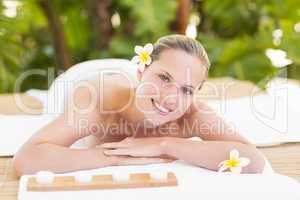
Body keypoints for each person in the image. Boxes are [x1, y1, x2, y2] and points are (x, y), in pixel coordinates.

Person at [13, 35, 265, 176]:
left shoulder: (191, 113)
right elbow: (25, 160)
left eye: (186, 89)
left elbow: (254, 159)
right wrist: (118, 156)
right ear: (141, 71)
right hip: (80, 81)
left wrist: (163, 144)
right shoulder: (97, 101)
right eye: (164, 78)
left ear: (195, 94)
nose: (170, 97)